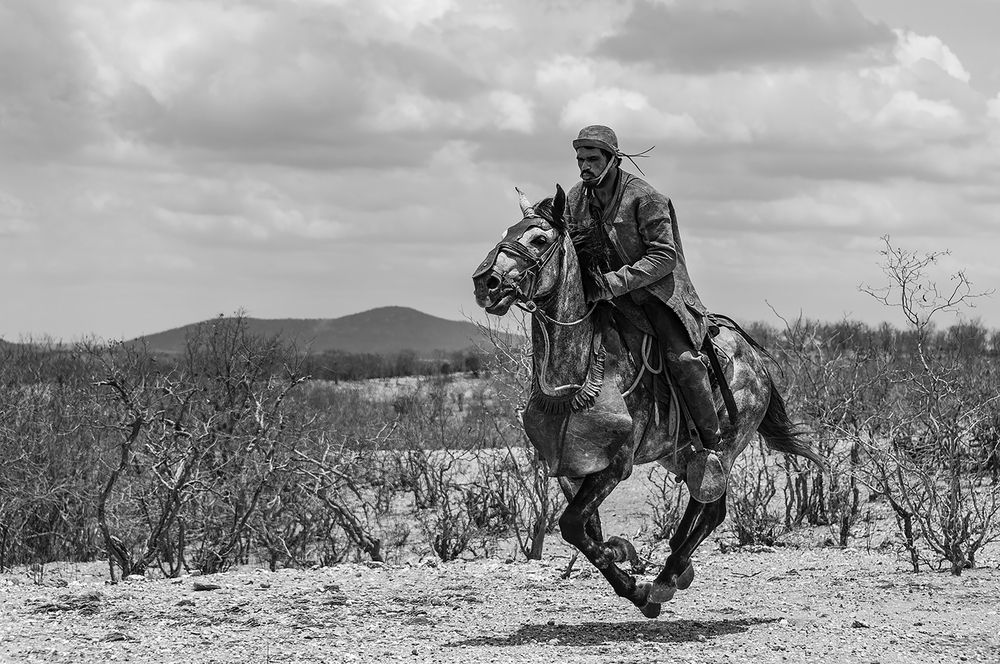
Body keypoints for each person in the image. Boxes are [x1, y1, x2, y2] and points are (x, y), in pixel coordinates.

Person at [565, 124, 725, 502]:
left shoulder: (644, 197)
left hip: (655, 296)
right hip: (602, 299)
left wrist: (614, 283)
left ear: (612, 159)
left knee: (684, 359)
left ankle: (708, 444)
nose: (584, 167)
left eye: (592, 159)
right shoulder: (576, 198)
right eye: (580, 159)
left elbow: (665, 256)